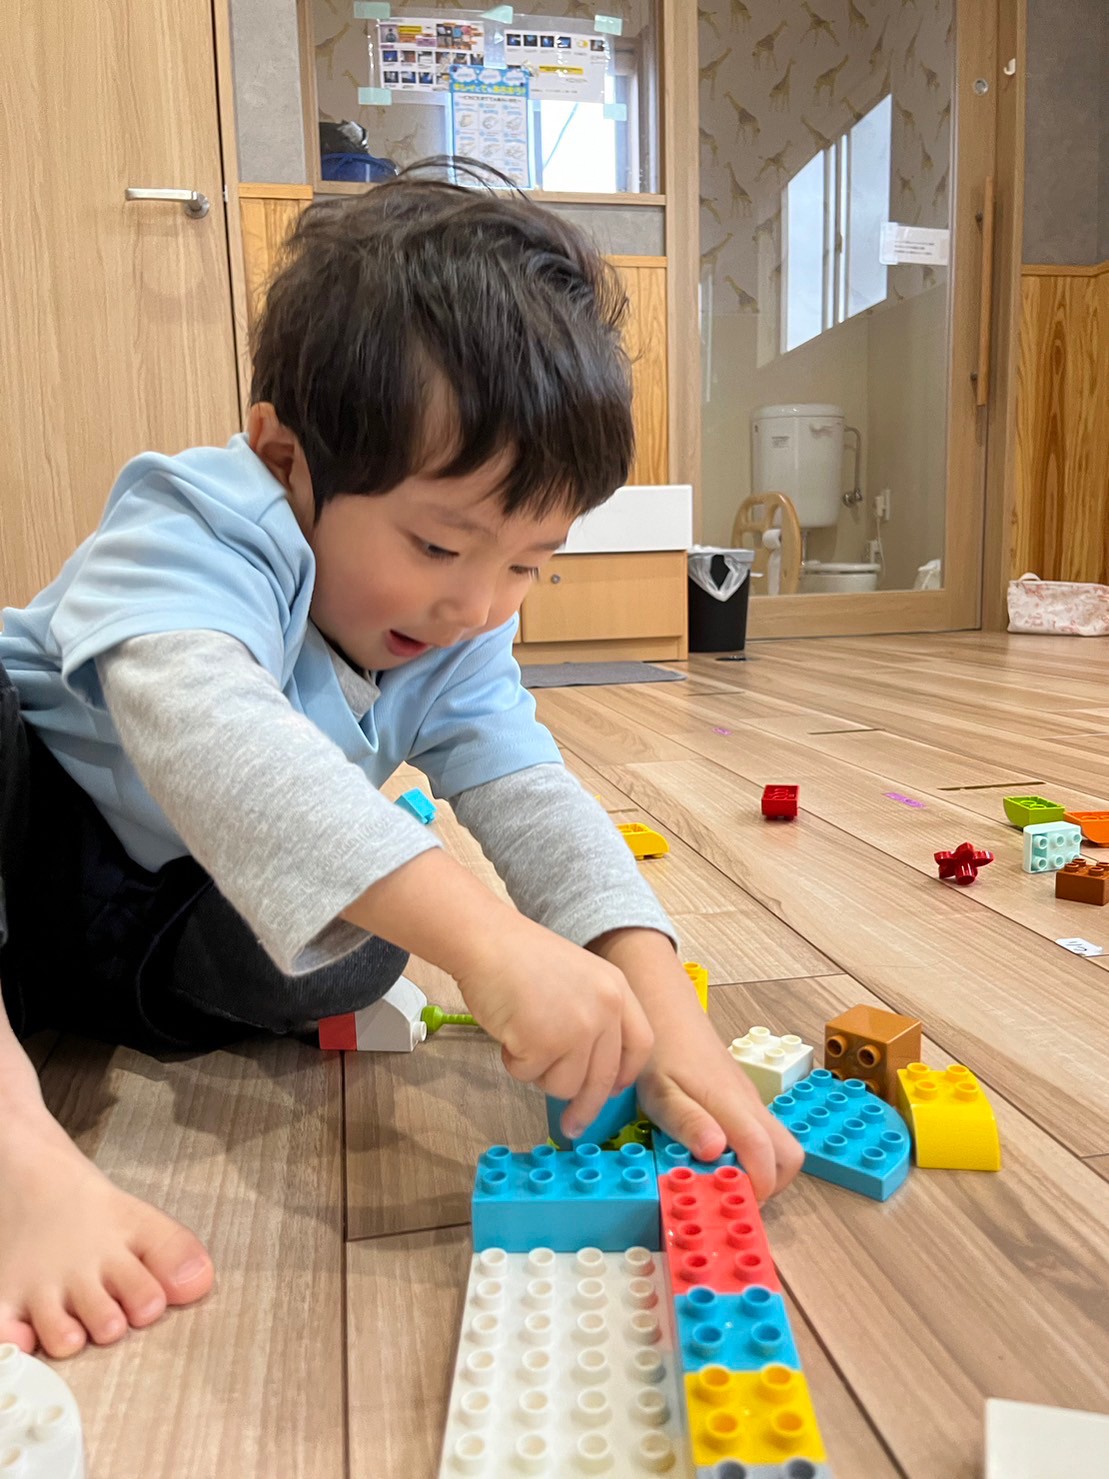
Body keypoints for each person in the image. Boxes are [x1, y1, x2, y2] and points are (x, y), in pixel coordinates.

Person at [0, 162, 802, 1360]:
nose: (477, 603)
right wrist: (483, 939)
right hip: (34, 836)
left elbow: (530, 797)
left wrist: (662, 1008)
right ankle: (16, 1155)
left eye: (528, 564)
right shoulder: (199, 520)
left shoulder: (457, 632)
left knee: (362, 941)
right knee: (411, 899)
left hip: (142, 930)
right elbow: (212, 739)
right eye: (437, 545)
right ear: (283, 457)